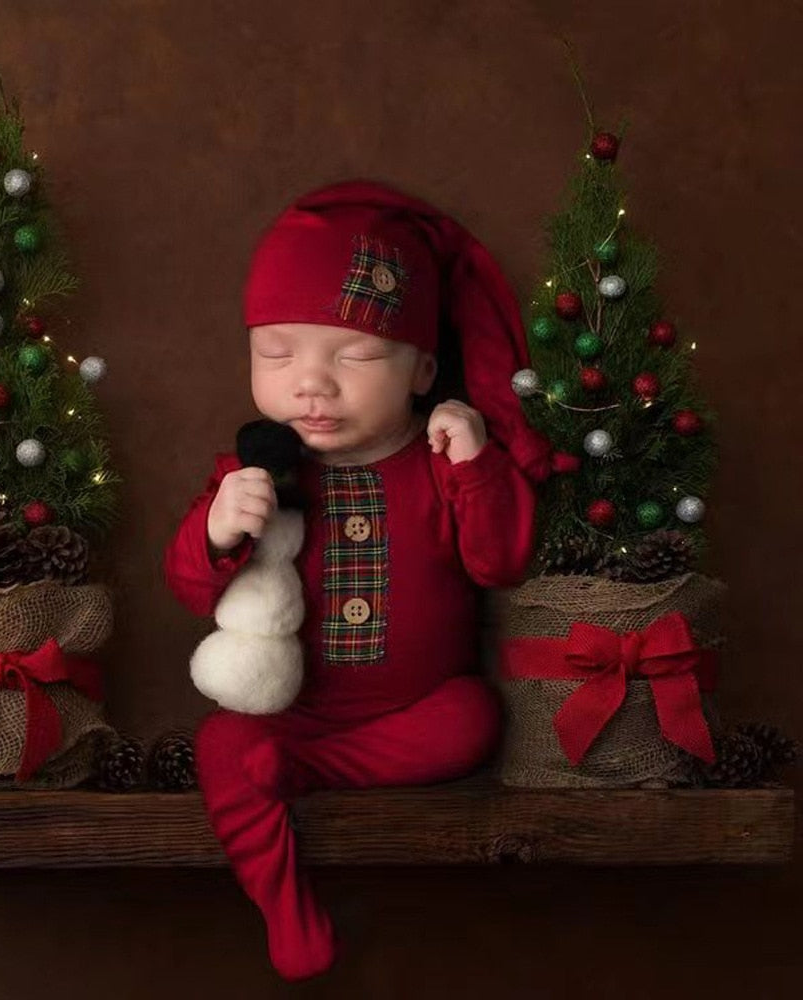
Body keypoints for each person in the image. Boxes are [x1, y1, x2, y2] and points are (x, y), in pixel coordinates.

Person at [163, 178, 576, 981]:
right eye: (277, 353)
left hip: (414, 714)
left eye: (354, 356)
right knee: (223, 742)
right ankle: (286, 909)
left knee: (472, 717)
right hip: (295, 713)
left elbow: (501, 562)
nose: (311, 382)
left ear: (423, 369)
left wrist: (476, 468)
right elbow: (191, 591)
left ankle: (312, 774)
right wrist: (215, 531)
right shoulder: (253, 472)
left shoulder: (438, 462)